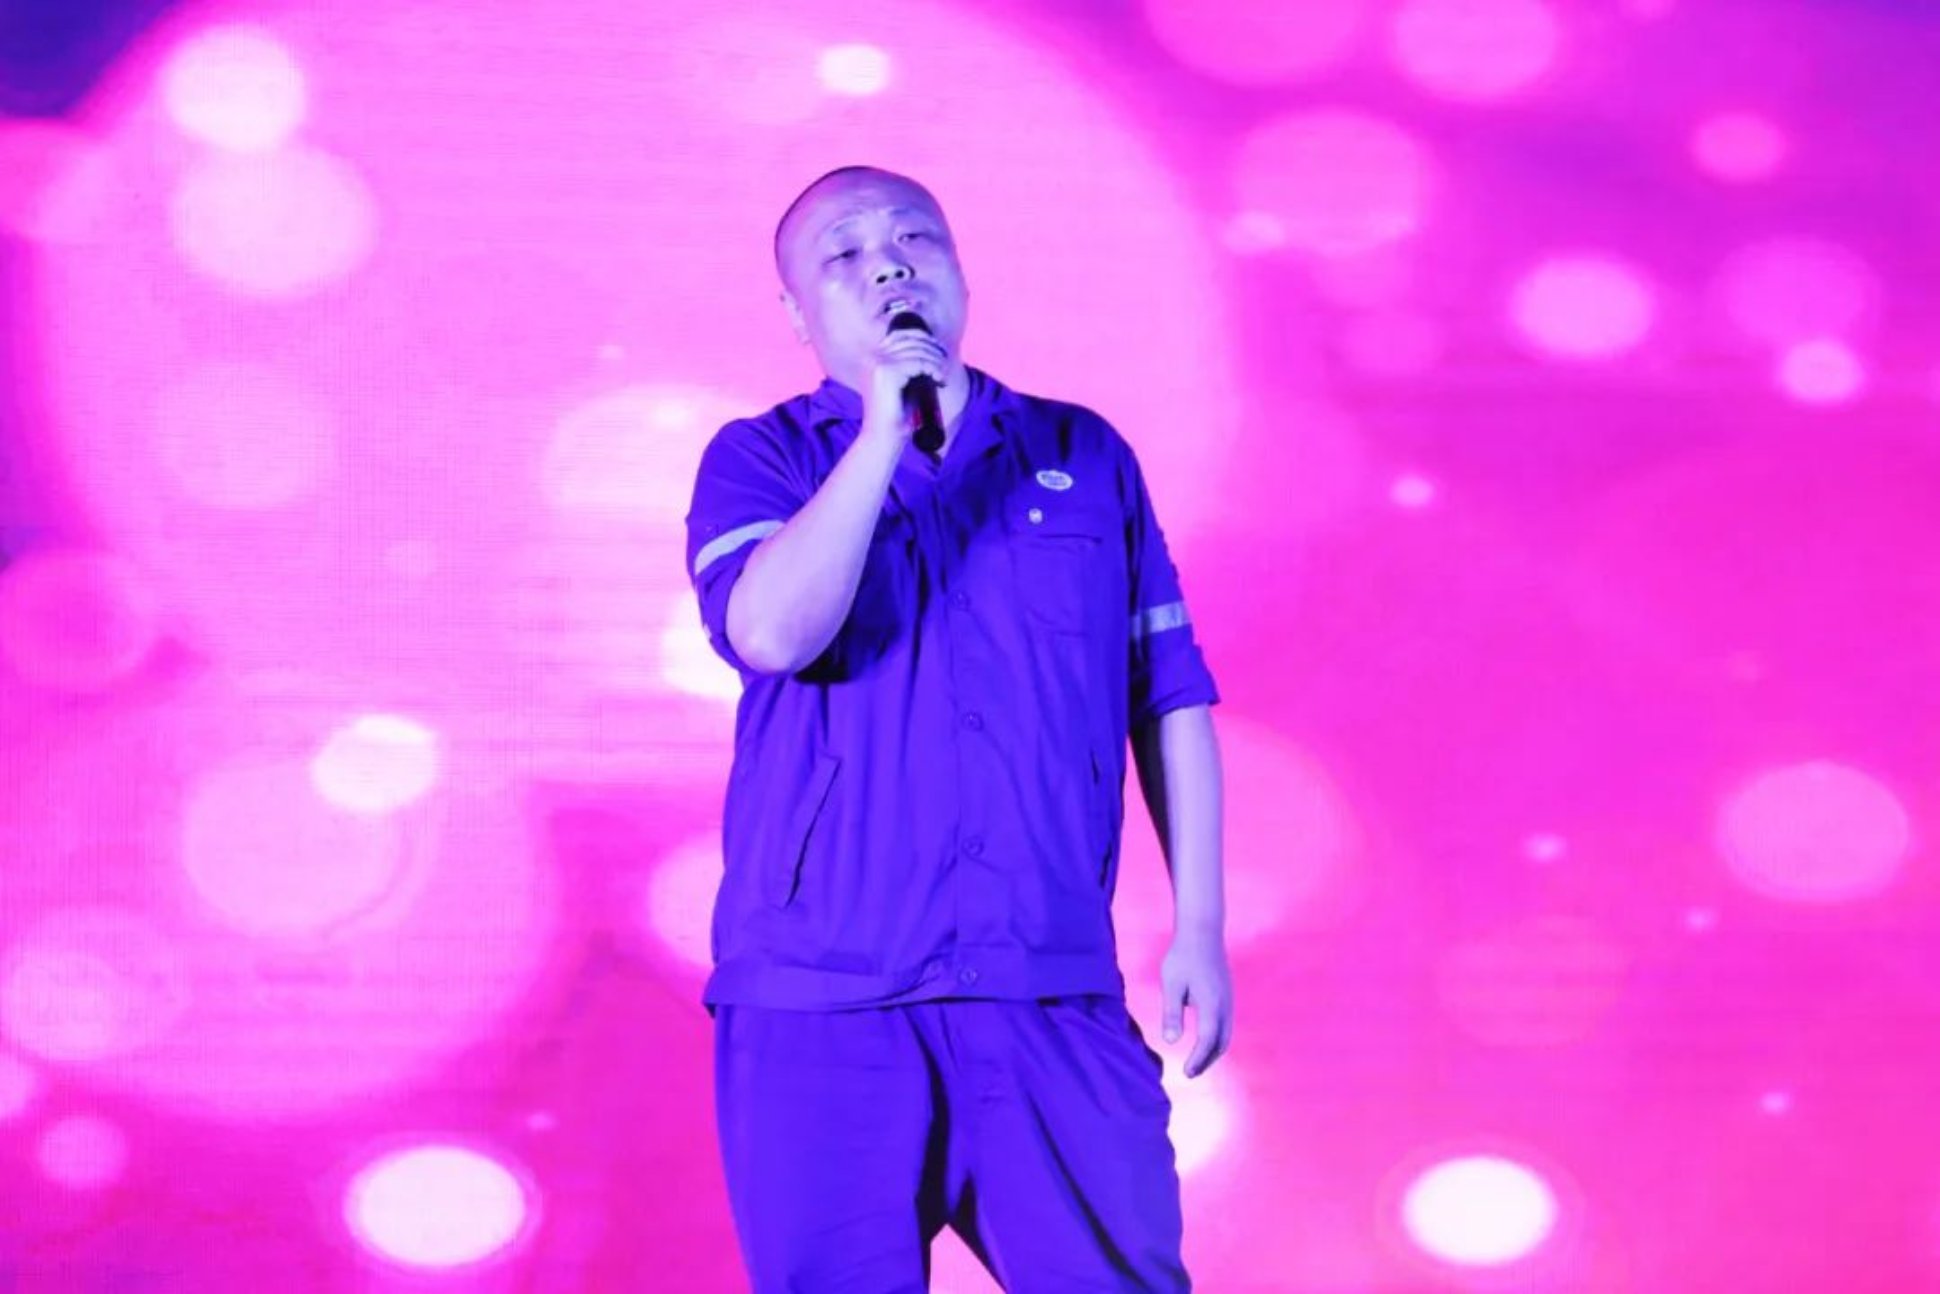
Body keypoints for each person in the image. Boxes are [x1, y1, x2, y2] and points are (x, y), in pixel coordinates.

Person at [683, 165, 1233, 1292]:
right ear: (796, 313)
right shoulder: (761, 458)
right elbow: (771, 632)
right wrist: (879, 436)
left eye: (914, 239)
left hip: (1047, 987)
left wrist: (1202, 926)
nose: (888, 265)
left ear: (959, 271)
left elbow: (1167, 694)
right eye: (844, 253)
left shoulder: (1084, 455)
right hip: (820, 1004)